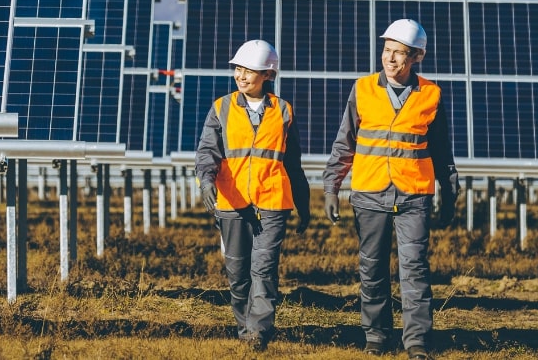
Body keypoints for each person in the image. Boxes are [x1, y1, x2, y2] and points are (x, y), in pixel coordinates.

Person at [322, 19, 460, 360]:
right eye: (387, 51)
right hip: (369, 193)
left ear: (416, 57)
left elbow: (441, 150)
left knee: (415, 269)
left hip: (414, 194)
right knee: (372, 268)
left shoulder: (431, 95)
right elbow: (345, 144)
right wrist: (331, 187)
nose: (391, 59)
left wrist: (451, 192)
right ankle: (376, 336)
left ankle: (416, 342)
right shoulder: (363, 89)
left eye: (400, 53)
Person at [194, 39, 311, 351]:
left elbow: (293, 162)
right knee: (237, 272)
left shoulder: (284, 111)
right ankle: (245, 325)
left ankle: (256, 333)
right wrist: (206, 182)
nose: (241, 76)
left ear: (267, 75)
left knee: (264, 267)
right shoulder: (221, 108)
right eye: (238, 69)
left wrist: (304, 204)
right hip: (232, 202)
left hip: (272, 202)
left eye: (249, 70)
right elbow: (207, 153)